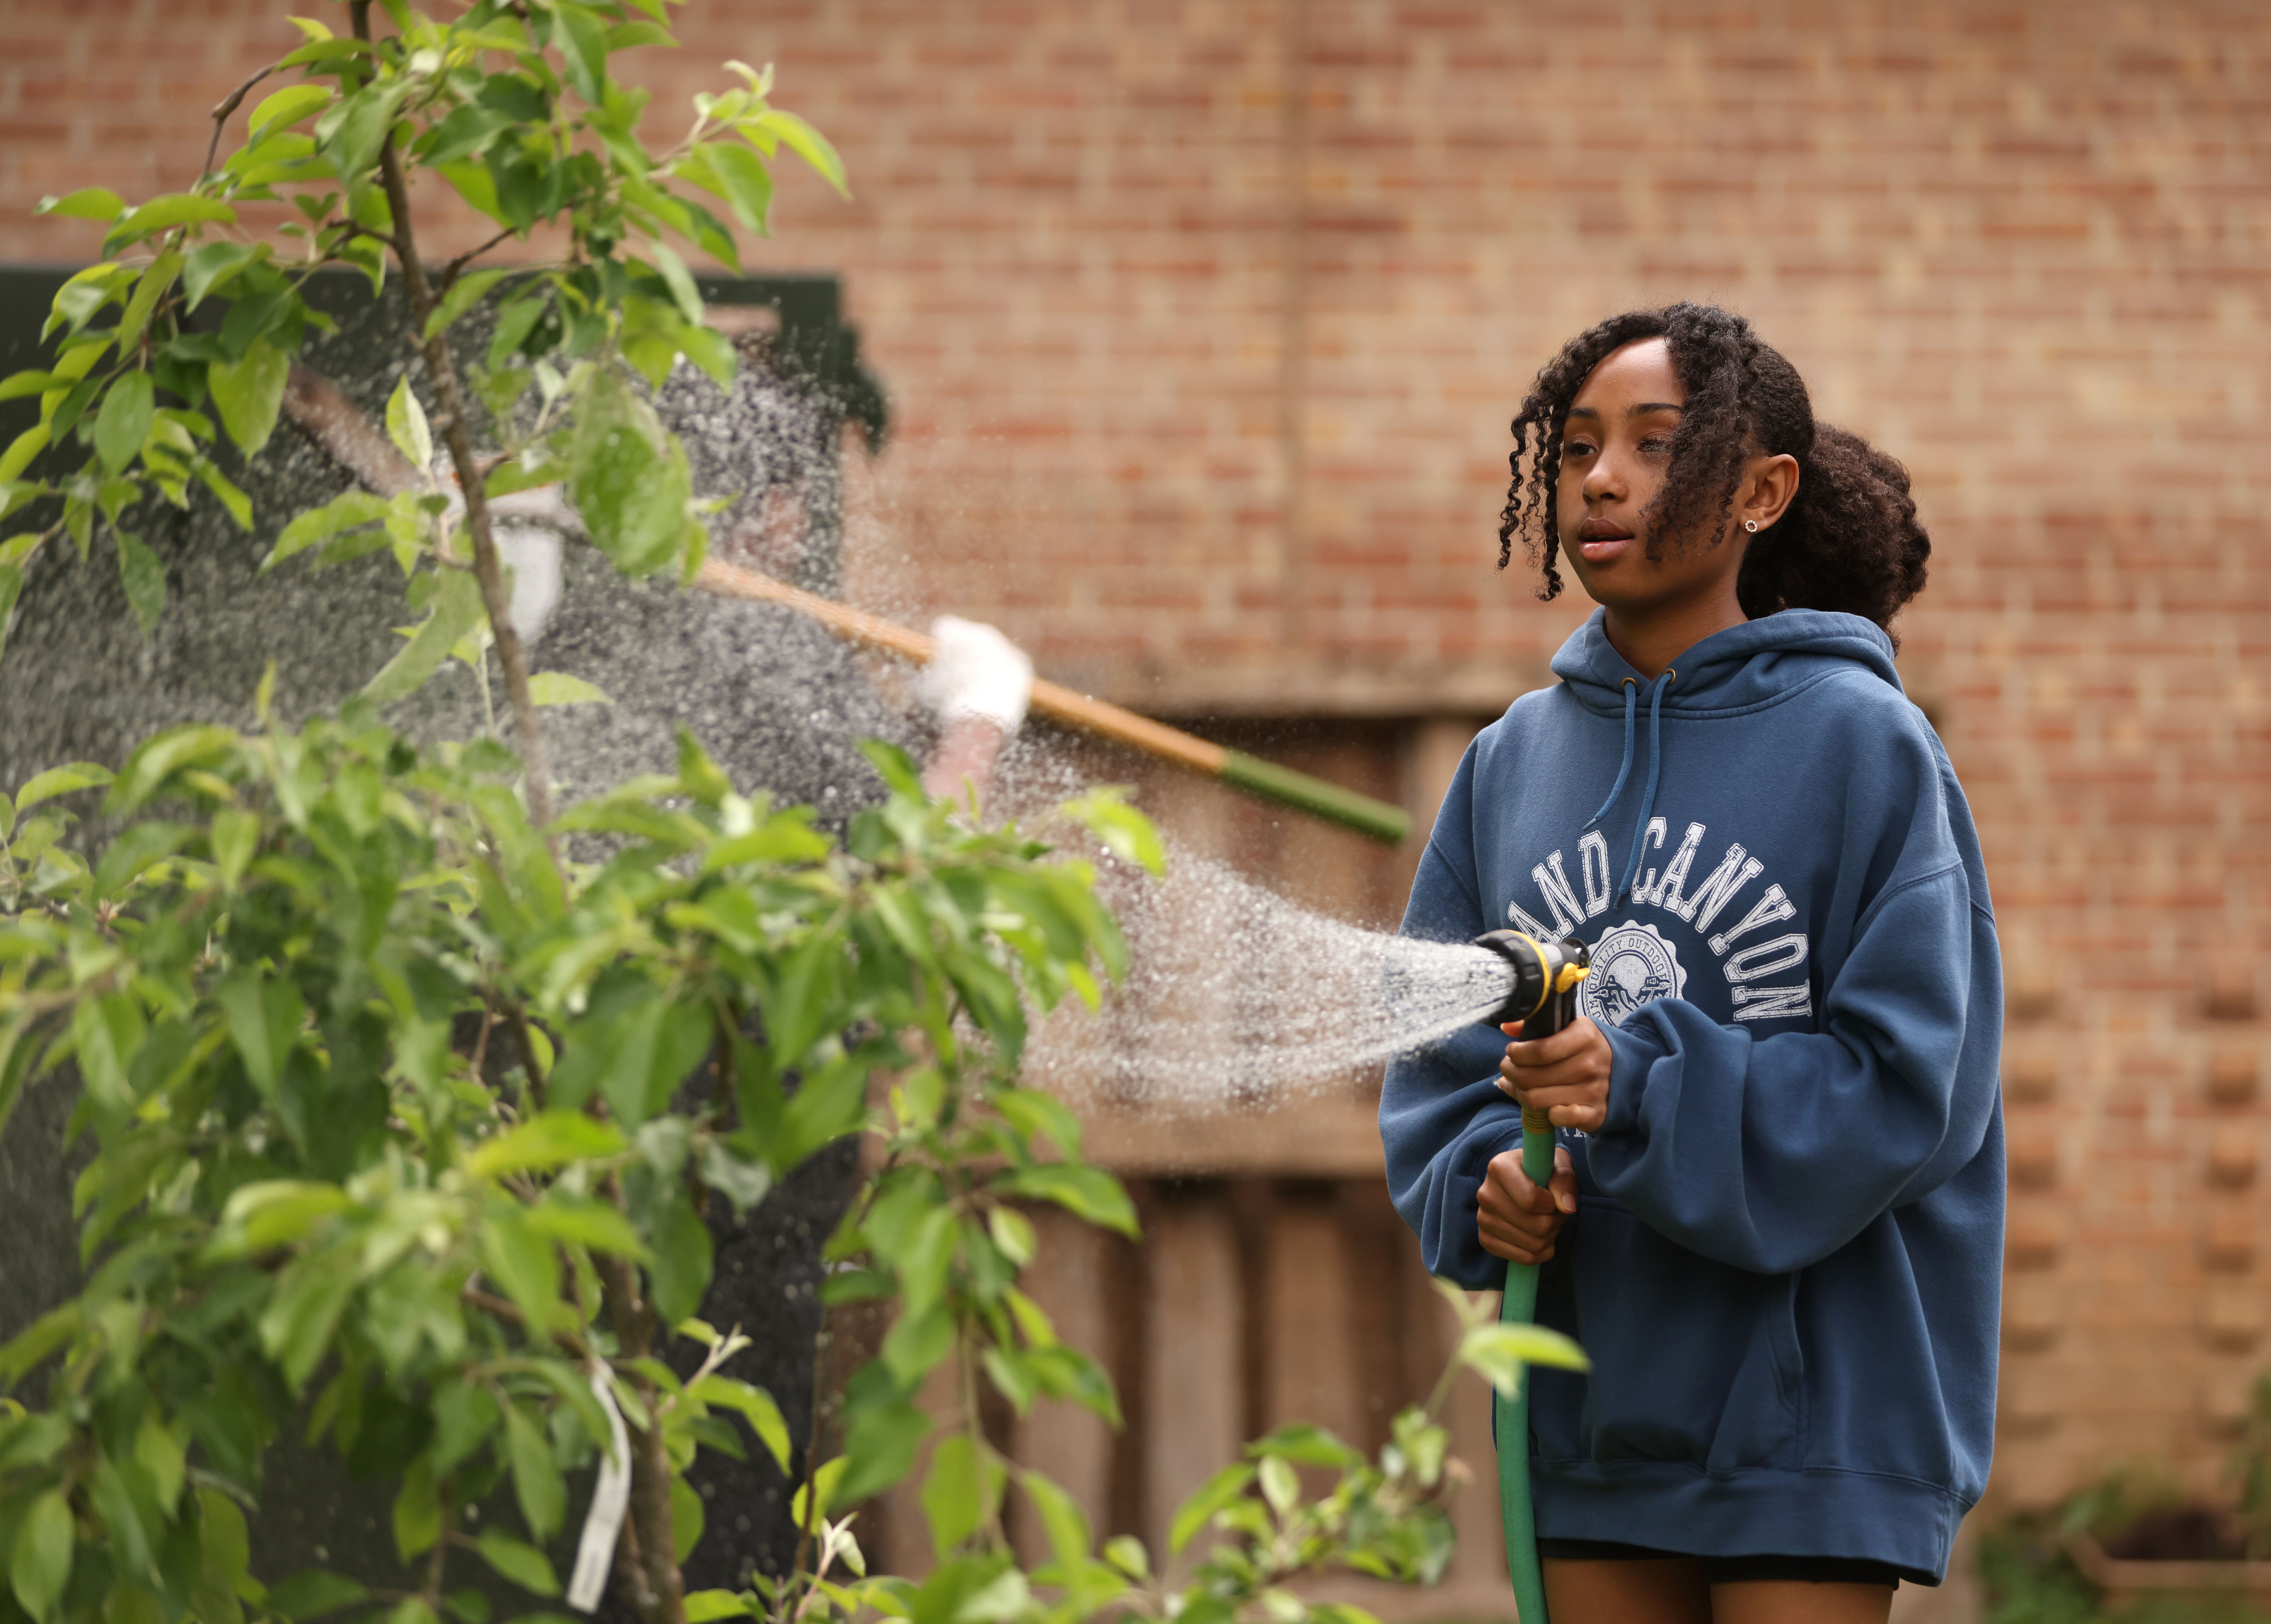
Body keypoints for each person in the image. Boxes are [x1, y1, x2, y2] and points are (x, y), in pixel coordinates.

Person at [1379, 303, 2003, 1624]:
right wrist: (1482, 1180)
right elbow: (1438, 1064)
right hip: (1588, 1410)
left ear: (1761, 490)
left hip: (1811, 1419)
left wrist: (1640, 1087)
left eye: (1655, 445)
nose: (1599, 478)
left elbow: (1910, 1092)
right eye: (1574, 449)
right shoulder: (1509, 767)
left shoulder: (1862, 746)